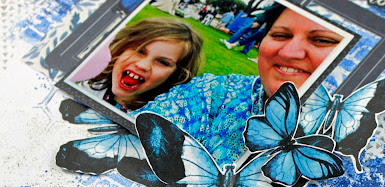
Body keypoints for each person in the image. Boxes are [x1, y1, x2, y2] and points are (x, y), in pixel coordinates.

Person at [133, 7, 343, 165]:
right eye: (280, 35)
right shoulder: (217, 91)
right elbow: (137, 134)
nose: (288, 52)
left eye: (322, 40)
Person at [76, 18, 203, 112]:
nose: (143, 65)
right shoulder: (93, 83)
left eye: (163, 62)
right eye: (140, 51)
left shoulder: (155, 118)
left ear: (176, 76)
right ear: (122, 48)